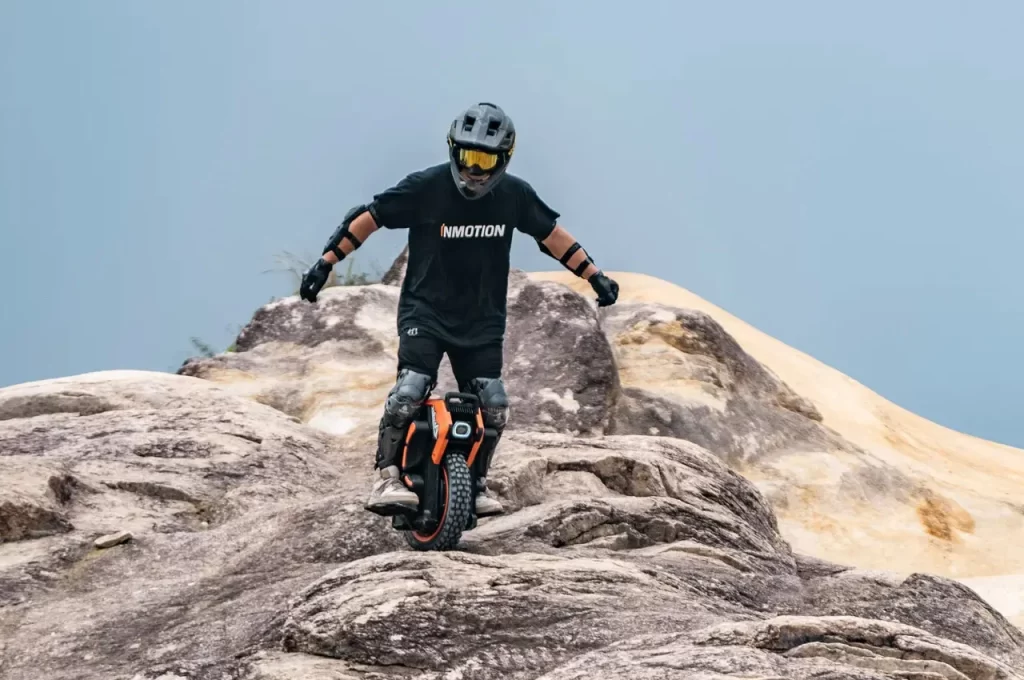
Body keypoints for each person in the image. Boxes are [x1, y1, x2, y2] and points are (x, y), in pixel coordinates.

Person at [298, 102, 619, 516]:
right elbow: (369, 217)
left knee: (494, 406)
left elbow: (552, 236)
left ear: (503, 159)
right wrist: (326, 263)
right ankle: (388, 476)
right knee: (409, 392)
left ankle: (476, 484)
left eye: (485, 160)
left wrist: (594, 276)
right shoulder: (426, 187)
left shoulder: (514, 195)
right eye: (468, 156)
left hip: (482, 321)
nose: (475, 170)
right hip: (425, 313)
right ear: (453, 150)